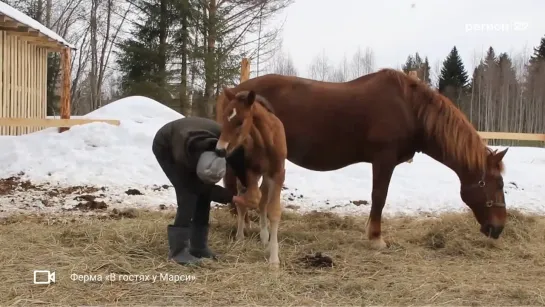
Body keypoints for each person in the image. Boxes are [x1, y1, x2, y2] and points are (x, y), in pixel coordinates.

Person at [152, 116, 247, 265]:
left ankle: (198, 247)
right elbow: (195, 186)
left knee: (203, 195)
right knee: (188, 194)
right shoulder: (182, 155)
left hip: (193, 134)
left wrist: (249, 186)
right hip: (166, 144)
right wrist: (233, 198)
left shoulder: (227, 146)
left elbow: (241, 164)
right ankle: (178, 252)